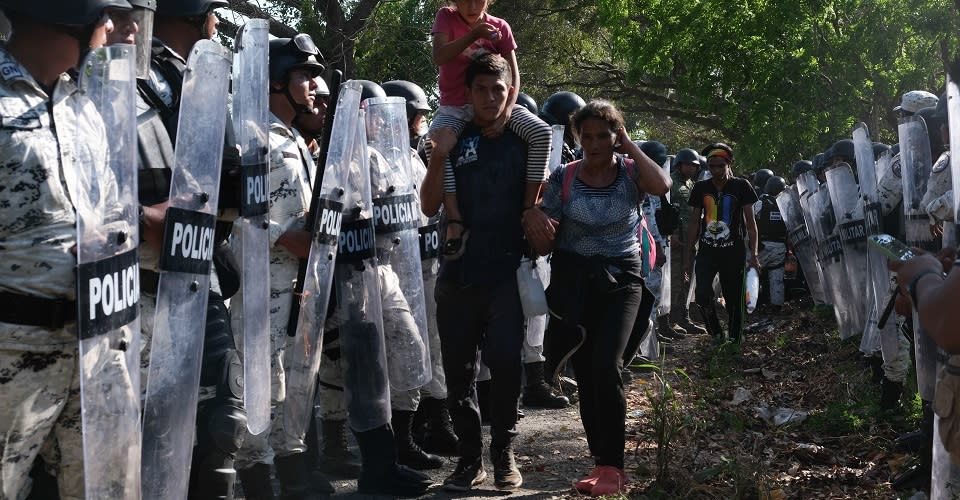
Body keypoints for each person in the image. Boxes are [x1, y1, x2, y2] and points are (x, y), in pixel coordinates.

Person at [0, 2, 134, 499]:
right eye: (105, 18)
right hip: (14, 353)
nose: (115, 30)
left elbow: (108, 209)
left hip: (95, 344)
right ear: (72, 19)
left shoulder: (81, 104)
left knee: (108, 485)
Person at [530, 99, 670, 496]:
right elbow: (546, 226)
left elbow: (661, 185)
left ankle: (614, 467)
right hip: (575, 282)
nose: (594, 144)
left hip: (623, 281)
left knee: (607, 366)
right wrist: (535, 218)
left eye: (603, 135)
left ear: (616, 136)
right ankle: (601, 461)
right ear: (577, 137)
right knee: (588, 372)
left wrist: (630, 146)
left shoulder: (630, 173)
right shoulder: (564, 177)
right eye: (586, 136)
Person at [143, 2, 248, 497]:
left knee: (222, 421)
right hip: (138, 285)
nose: (216, 31)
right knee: (152, 435)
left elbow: (228, 188)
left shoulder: (190, 79)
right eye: (212, 18)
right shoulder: (125, 77)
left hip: (198, 271)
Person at [420, 53, 532, 492]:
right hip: (458, 273)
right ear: (467, 93)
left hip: (506, 272)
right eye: (481, 89)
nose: (489, 97)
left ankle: (504, 452)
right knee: (458, 371)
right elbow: (429, 205)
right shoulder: (451, 133)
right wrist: (436, 156)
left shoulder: (524, 137)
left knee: (506, 366)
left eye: (497, 89)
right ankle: (470, 458)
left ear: (510, 92)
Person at [231, 34, 335, 499]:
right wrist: (286, 238)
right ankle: (257, 482)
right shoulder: (251, 136)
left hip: (297, 287)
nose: (314, 84)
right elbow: (238, 216)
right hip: (260, 288)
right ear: (275, 81)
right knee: (258, 386)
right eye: (303, 75)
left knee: (295, 384)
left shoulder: (292, 134)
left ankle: (291, 474)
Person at [427, 0, 551, 259]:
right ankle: (454, 220)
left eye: (478, 0)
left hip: (496, 104)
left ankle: (529, 206)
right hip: (455, 107)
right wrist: (474, 35)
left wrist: (507, 112)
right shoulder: (446, 18)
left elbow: (514, 76)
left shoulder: (501, 27)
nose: (472, 6)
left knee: (541, 132)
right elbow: (439, 56)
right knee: (435, 145)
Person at [382, 79, 462, 455]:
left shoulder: (415, 158)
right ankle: (404, 433)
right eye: (417, 118)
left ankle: (437, 421)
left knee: (434, 346)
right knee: (406, 352)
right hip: (395, 273)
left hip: (428, 268)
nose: (422, 125)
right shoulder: (375, 161)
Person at [683, 143, 760, 344]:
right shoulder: (701, 188)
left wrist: (754, 255)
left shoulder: (741, 186)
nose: (716, 170)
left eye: (720, 166)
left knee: (734, 298)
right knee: (702, 294)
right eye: (712, 166)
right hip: (707, 251)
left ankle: (735, 339)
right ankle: (715, 333)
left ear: (729, 164)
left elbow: (751, 224)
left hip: (733, 252)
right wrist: (688, 253)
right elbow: (694, 222)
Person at [669, 148, 708, 335]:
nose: (692, 168)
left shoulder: (692, 184)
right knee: (675, 279)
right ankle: (671, 319)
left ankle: (684, 317)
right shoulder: (671, 183)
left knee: (687, 279)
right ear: (679, 164)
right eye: (688, 165)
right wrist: (673, 234)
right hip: (677, 240)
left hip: (690, 239)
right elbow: (669, 211)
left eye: (695, 166)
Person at [756, 176, 788, 308]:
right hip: (780, 247)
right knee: (777, 278)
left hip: (762, 246)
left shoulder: (760, 203)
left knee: (751, 274)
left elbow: (749, 221)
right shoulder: (786, 204)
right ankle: (777, 305)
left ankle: (751, 304)